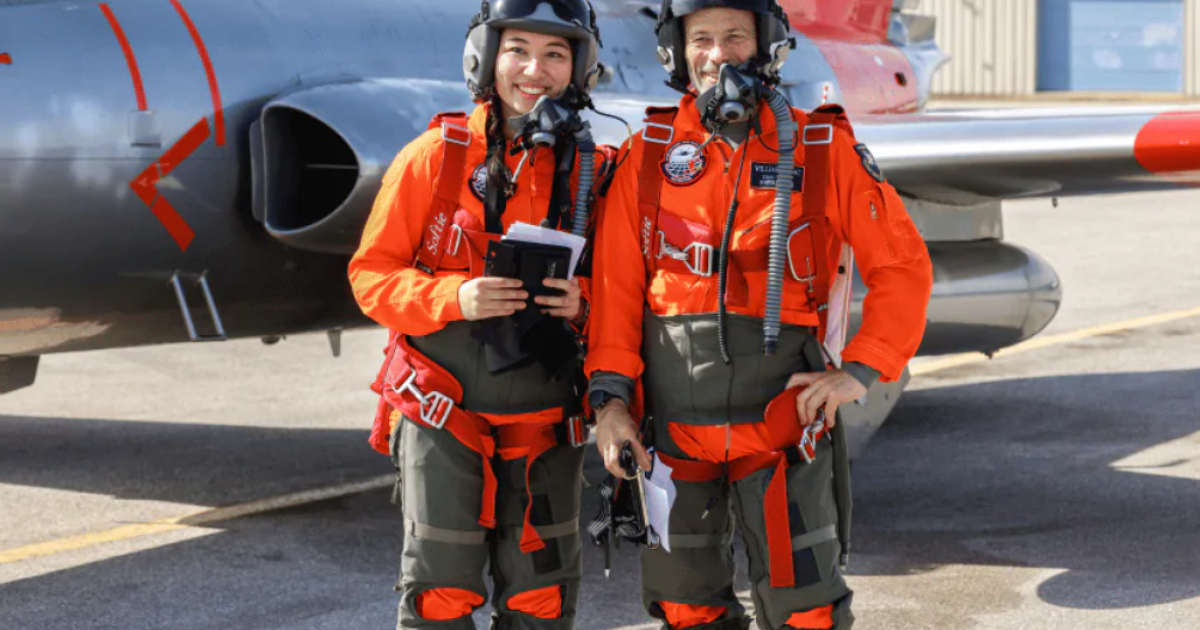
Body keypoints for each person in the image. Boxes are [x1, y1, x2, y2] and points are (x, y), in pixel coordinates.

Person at [585, 1, 934, 629]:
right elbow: (615, 294)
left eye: (735, 36)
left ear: (766, 46)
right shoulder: (646, 156)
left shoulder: (823, 150)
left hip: (781, 435)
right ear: (675, 50)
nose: (718, 54)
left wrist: (862, 368)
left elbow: (903, 267)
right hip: (675, 437)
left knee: (807, 613)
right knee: (686, 610)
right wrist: (610, 405)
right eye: (703, 39)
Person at [348, 2, 613, 628]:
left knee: (541, 601)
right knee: (441, 597)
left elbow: (632, 294)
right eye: (517, 49)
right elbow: (371, 276)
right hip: (444, 414)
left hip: (546, 421)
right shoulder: (433, 158)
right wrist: (453, 299)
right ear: (485, 57)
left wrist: (585, 304)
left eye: (555, 54)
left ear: (580, 68)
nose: (534, 70)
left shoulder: (596, 176)